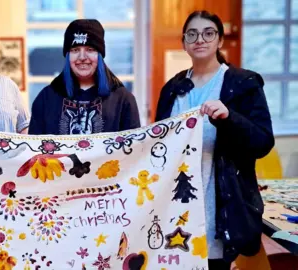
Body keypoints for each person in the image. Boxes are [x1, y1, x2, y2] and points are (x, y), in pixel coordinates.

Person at [155, 10, 274, 269]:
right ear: (184, 42)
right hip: (175, 215)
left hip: (220, 212)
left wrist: (230, 117)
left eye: (208, 33)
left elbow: (263, 142)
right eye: (192, 34)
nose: (200, 39)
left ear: (219, 40)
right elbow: (159, 149)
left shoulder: (243, 84)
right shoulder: (172, 90)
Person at [28, 19, 140, 135]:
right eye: (75, 50)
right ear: (67, 56)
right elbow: (36, 149)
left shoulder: (123, 100)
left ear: (100, 55)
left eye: (90, 49)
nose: (82, 57)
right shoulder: (46, 99)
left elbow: (134, 149)